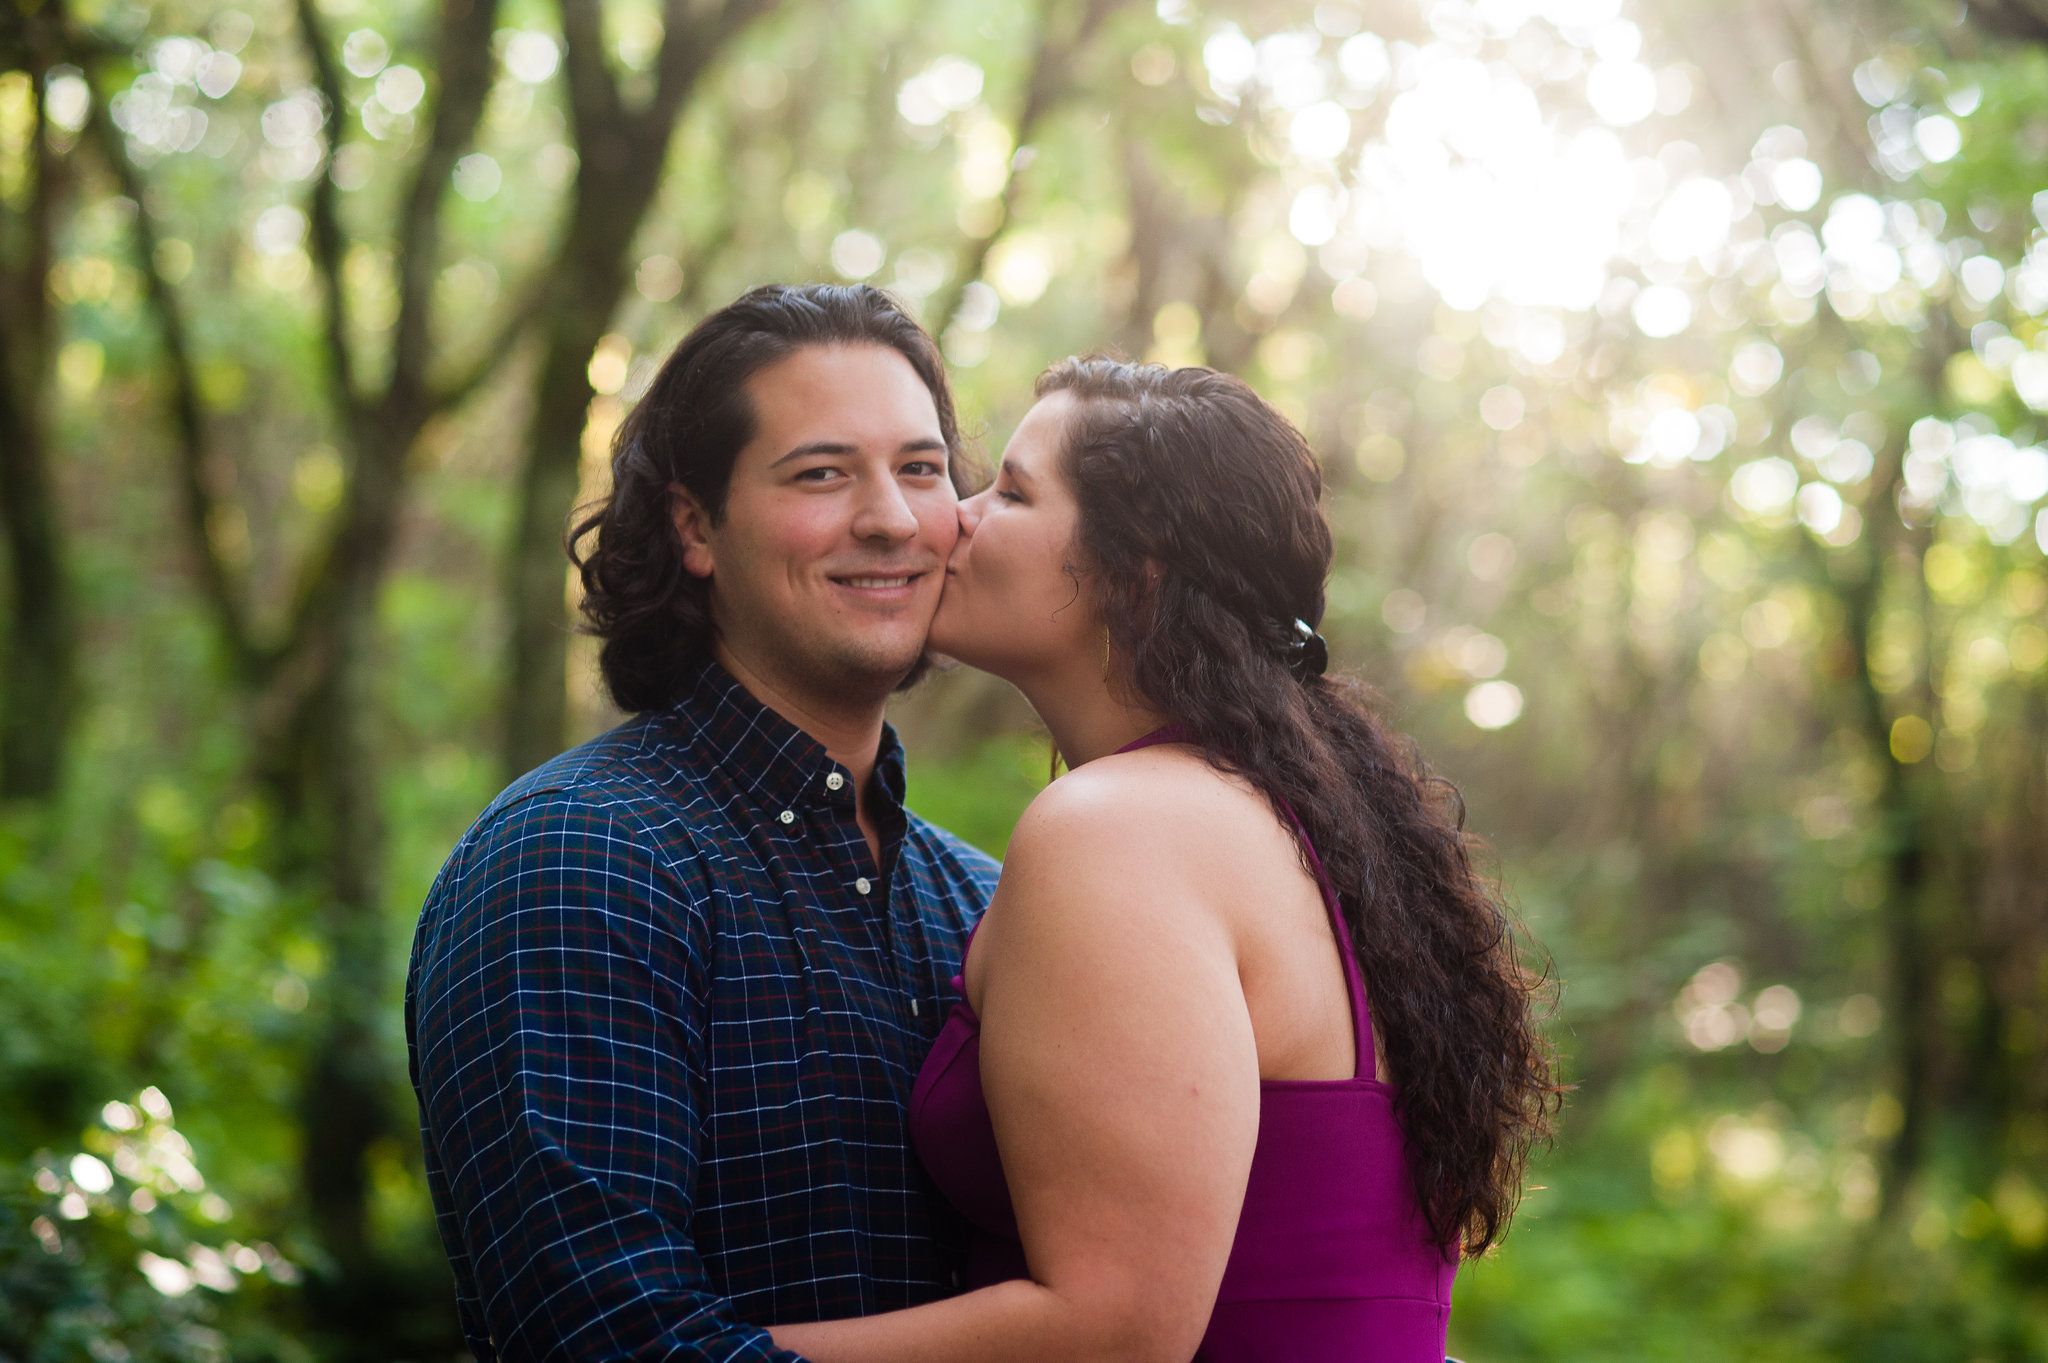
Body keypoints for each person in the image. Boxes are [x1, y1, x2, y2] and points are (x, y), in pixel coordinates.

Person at [769, 358, 1558, 1363]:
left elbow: (1112, 1333)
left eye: (1010, 491)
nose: (952, 518)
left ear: (1133, 569)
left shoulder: (1116, 828)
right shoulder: (1299, 821)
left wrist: (685, 1354)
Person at [405, 284, 1000, 1360]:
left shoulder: (993, 902)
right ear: (693, 526)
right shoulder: (577, 859)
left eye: (920, 468)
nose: (892, 517)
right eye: (822, 473)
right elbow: (609, 1343)